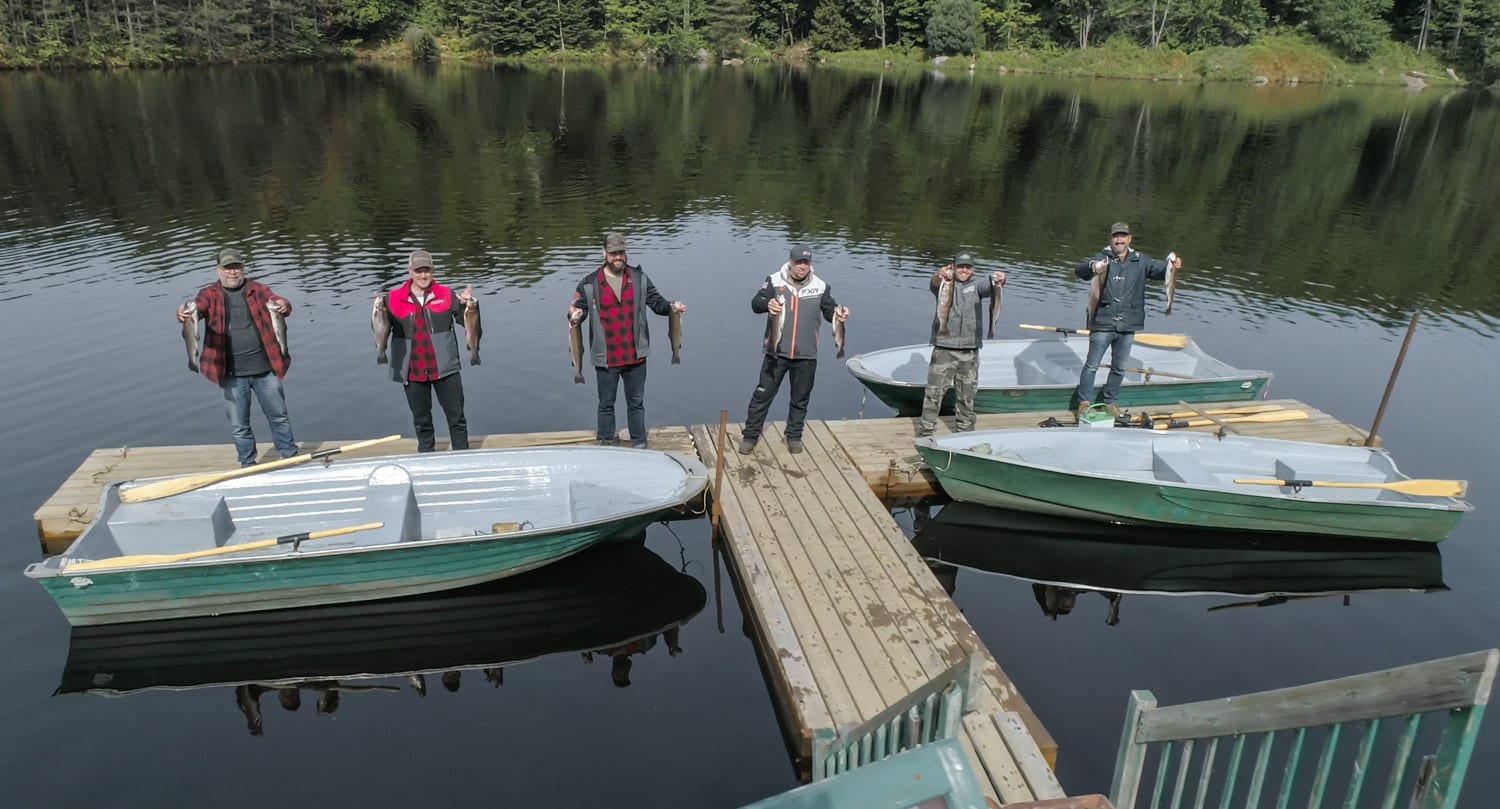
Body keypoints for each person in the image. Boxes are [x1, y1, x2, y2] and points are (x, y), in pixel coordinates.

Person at [177, 247, 298, 467]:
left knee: (279, 417)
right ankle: (247, 464)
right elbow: (197, 308)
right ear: (218, 270)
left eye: (236, 267)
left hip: (265, 369)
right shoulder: (209, 294)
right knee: (239, 425)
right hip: (232, 373)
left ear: (242, 268)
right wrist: (184, 312)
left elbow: (281, 302)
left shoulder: (258, 290)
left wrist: (283, 304)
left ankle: (289, 456)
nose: (233, 272)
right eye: (228, 268)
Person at [568, 233, 686, 448]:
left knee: (636, 403)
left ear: (625, 252)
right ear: (604, 253)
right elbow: (579, 311)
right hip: (606, 357)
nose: (617, 257)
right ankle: (605, 442)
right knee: (606, 404)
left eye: (620, 253)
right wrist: (574, 315)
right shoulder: (588, 283)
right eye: (613, 253)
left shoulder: (640, 278)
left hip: (635, 355)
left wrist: (672, 306)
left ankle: (639, 443)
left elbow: (657, 303)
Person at [738, 245, 850, 455]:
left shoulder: (821, 286)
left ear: (810, 265)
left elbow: (829, 309)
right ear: (790, 262)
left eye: (806, 263)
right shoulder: (774, 280)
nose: (802, 267)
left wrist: (839, 312)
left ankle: (794, 436)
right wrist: (767, 303)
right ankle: (750, 436)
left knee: (800, 399)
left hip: (806, 355)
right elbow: (756, 302)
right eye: (798, 262)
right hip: (775, 353)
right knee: (762, 396)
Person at [1073, 222, 1183, 420]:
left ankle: (1110, 402)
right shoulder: (1101, 258)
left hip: (1128, 325)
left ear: (1129, 239)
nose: (1119, 240)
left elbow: (1160, 271)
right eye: (1116, 236)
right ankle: (1084, 402)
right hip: (1102, 323)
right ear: (1111, 239)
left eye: (1123, 236)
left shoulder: (1140, 260)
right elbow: (1080, 271)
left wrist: (1173, 265)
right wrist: (1092, 267)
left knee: (1119, 367)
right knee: (1091, 365)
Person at [384, 250, 475, 452]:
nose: (423, 276)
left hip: (445, 368)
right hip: (412, 371)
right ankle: (426, 458)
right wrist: (377, 313)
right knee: (422, 422)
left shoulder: (447, 294)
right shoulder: (392, 298)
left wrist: (468, 305)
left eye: (427, 270)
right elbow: (379, 329)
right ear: (410, 272)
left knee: (457, 419)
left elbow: (469, 325)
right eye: (418, 271)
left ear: (432, 271)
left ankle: (462, 458)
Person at [917, 252, 1006, 436]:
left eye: (968, 267)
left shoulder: (977, 285)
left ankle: (965, 436)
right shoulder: (944, 284)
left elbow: (990, 286)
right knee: (933, 395)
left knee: (967, 398)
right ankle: (925, 435)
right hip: (943, 348)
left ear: (972, 269)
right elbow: (933, 283)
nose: (964, 270)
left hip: (969, 351)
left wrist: (999, 279)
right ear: (954, 267)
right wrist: (938, 275)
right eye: (960, 266)